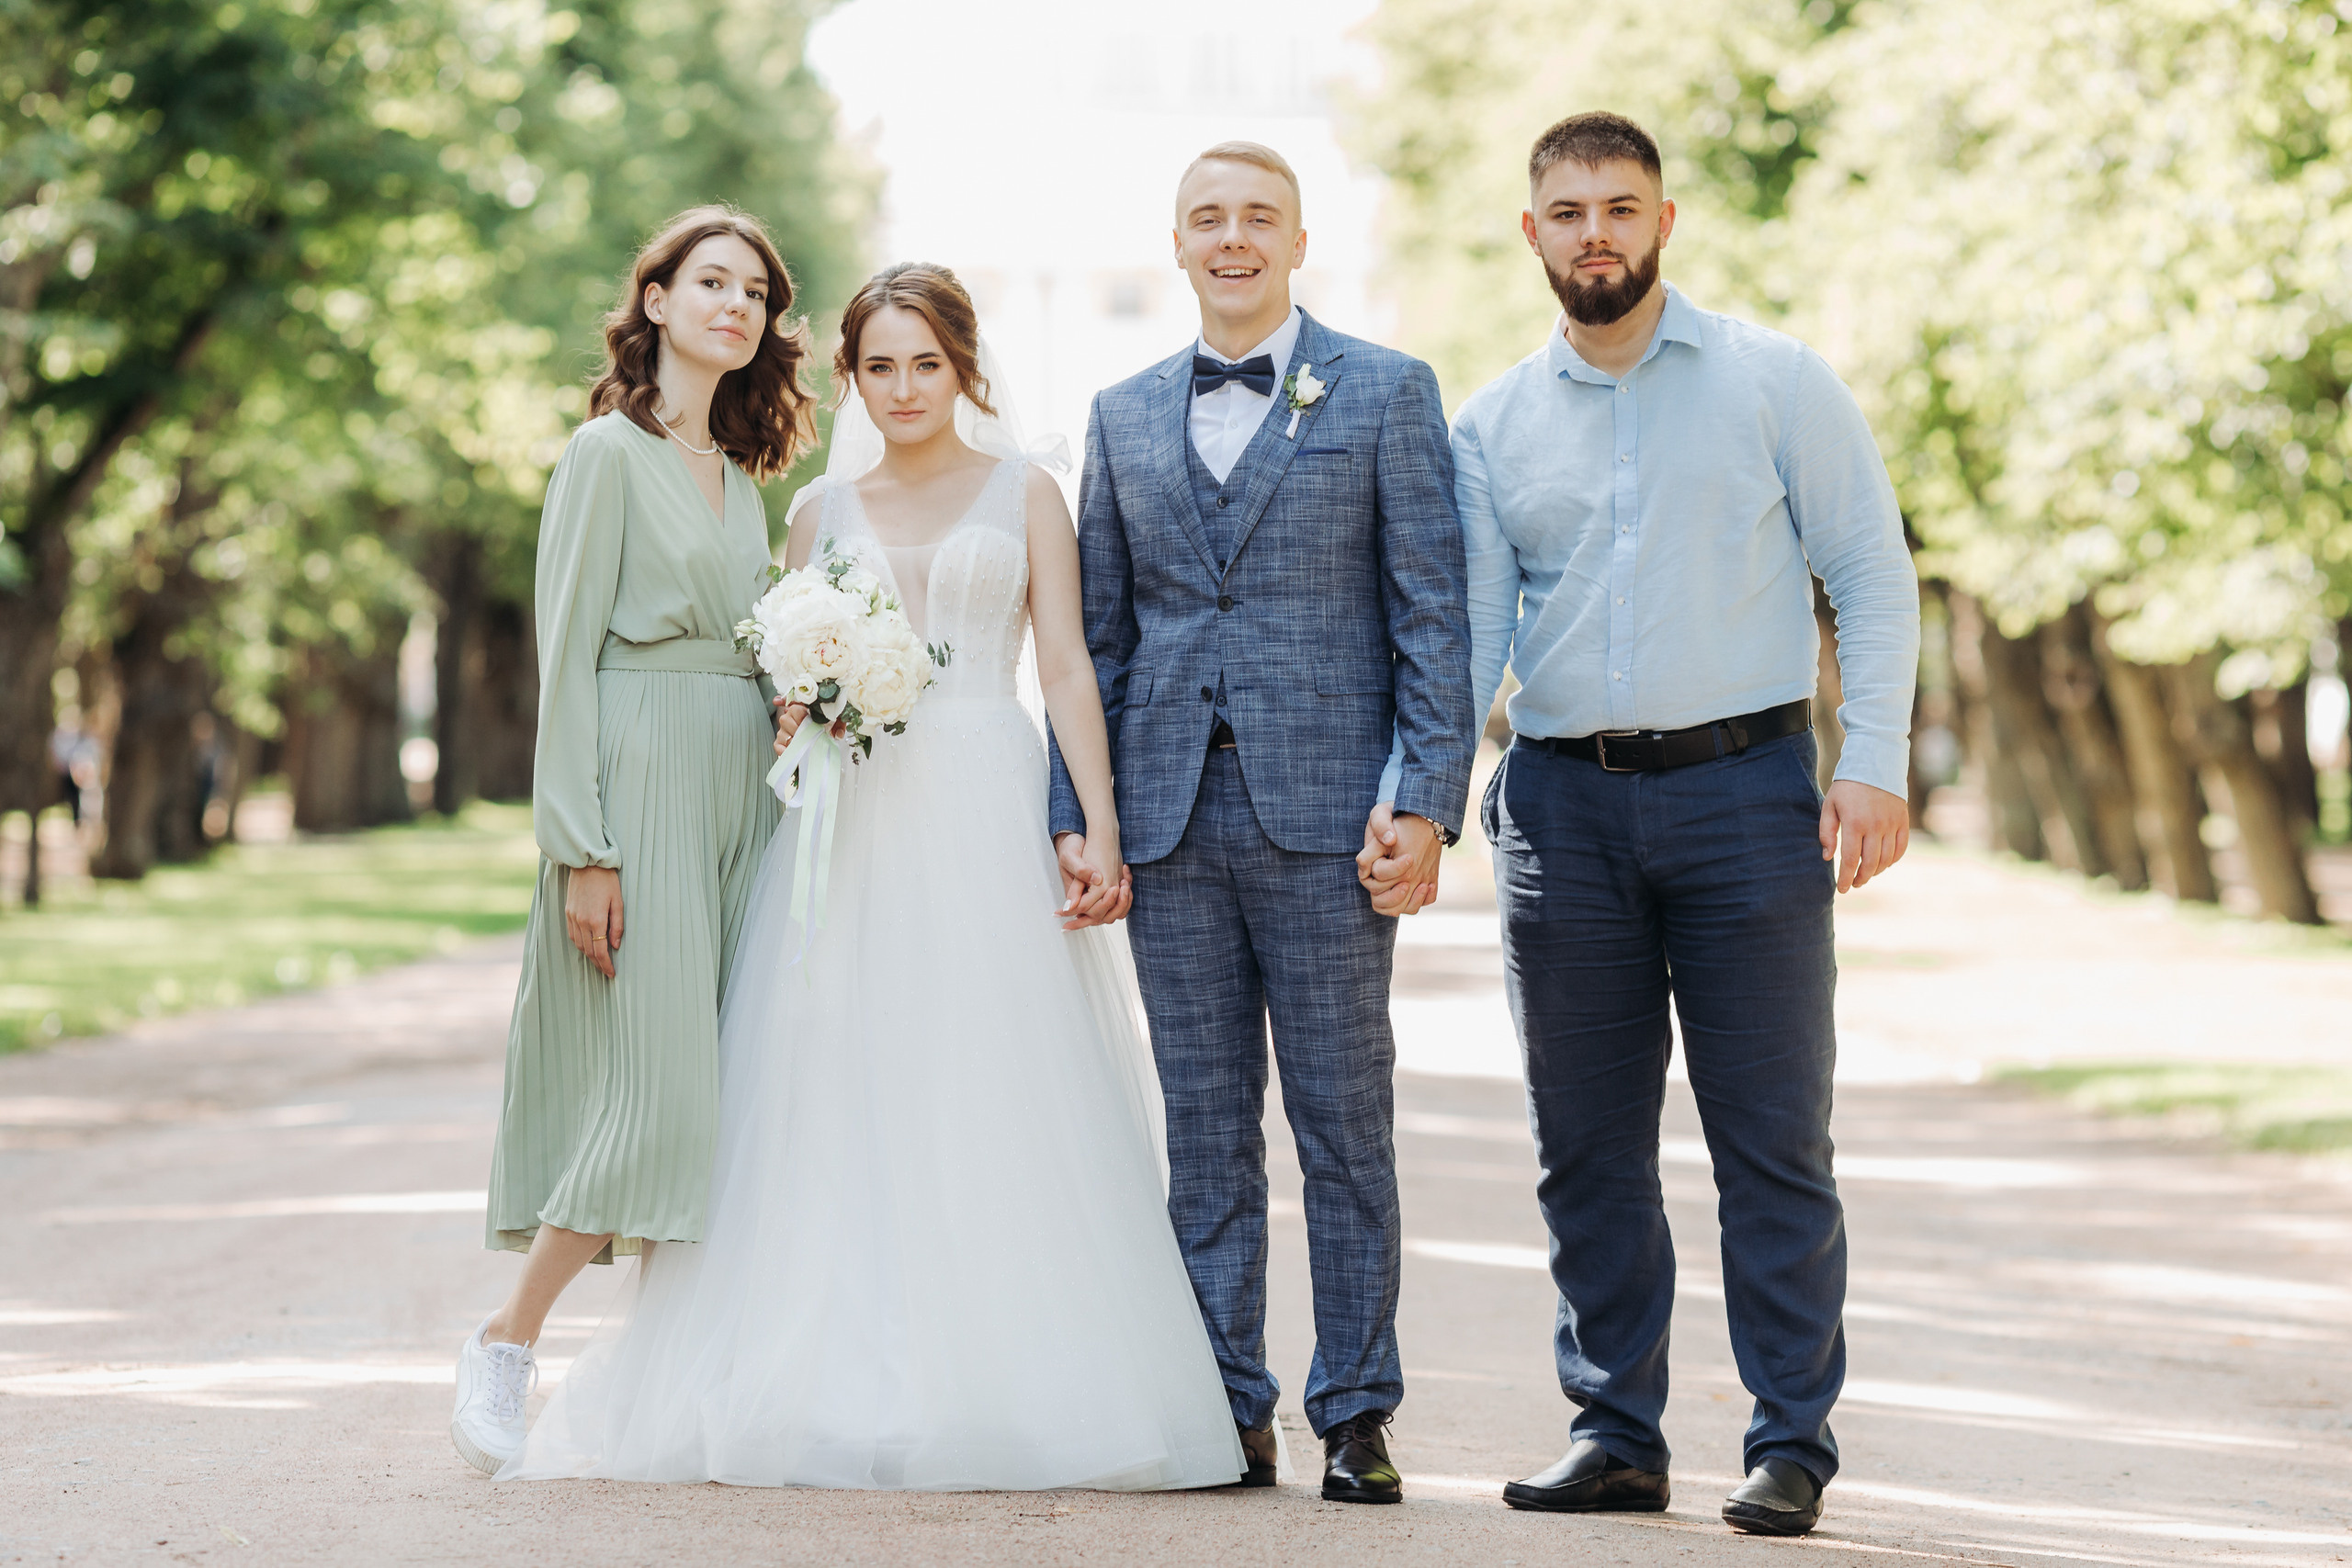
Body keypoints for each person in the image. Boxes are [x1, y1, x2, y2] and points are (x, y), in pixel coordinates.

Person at [498, 264, 1246, 1492]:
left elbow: (1063, 667)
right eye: (880, 366)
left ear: (965, 370)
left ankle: (1004, 1376)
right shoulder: (815, 513)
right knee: (827, 1079)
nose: (905, 388)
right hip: (844, 818)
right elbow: (774, 685)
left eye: (927, 364)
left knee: (987, 1075)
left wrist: (1095, 820)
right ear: (851, 378)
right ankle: (818, 1373)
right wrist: (804, 701)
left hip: (983, 799)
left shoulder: (1029, 495)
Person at [1431, 112, 1918, 1537]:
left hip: (1748, 798)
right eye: (1570, 210)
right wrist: (1431, 800)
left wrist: (1873, 762)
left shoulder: (1776, 382)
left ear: (1664, 221)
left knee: (1773, 1136)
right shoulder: (1492, 424)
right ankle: (1616, 1430)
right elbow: (1470, 633)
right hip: (1563, 806)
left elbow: (1872, 579)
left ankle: (1789, 1443)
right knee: (1584, 1142)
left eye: (1622, 207)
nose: (1598, 232)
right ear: (1532, 233)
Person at [1047, 141, 1477, 1503]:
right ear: (1176, 245)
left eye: (1258, 220)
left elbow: (1434, 618)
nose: (1232, 240)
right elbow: (1094, 642)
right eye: (1206, 220)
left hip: (1331, 822)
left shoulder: (1388, 392)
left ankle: (1355, 1407)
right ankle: (1222, 1402)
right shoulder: (1117, 415)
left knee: (1347, 1125)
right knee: (1206, 1128)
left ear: (1300, 241)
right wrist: (1082, 815)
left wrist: (1424, 800)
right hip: (1171, 820)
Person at [453, 206, 820, 1475]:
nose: (737, 305)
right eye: (711, 281)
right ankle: (508, 1340)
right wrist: (584, 850)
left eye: (757, 292)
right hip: (641, 779)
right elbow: (568, 662)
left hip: (741, 788)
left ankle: (666, 1378)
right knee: (655, 1092)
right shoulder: (603, 455)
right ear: (656, 299)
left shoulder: (741, 476)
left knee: (719, 1090)